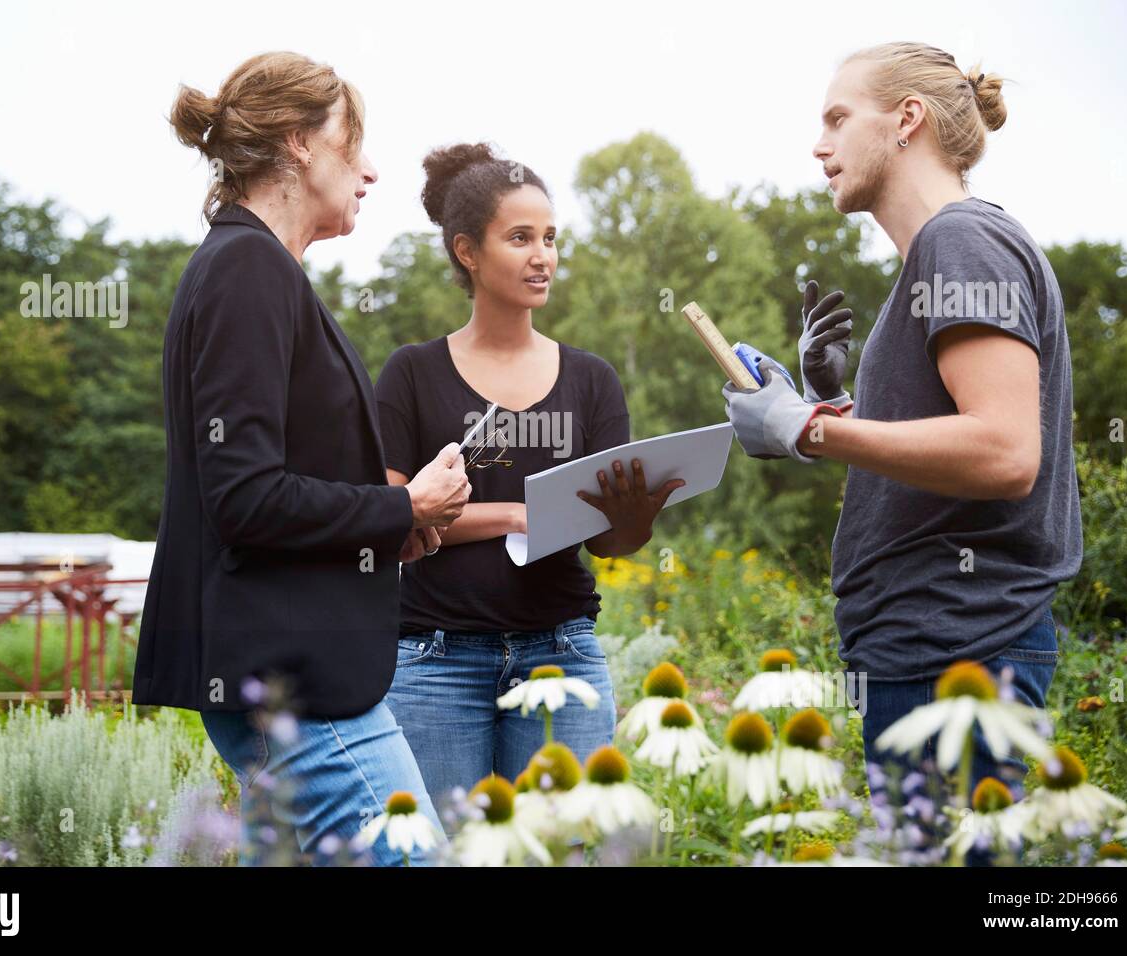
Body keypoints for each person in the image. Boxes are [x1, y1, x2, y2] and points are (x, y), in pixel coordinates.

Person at [719, 43, 1081, 863]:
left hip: (960, 649)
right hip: (928, 644)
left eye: (837, 118)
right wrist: (825, 404)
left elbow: (1003, 449)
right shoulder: (935, 259)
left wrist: (807, 430)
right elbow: (945, 442)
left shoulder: (961, 242)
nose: (819, 145)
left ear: (906, 120)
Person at [131, 52, 471, 866]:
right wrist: (404, 508)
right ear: (296, 145)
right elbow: (244, 498)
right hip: (295, 680)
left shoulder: (252, 268)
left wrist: (387, 532)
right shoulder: (248, 269)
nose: (372, 171)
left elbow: (263, 486)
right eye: (353, 145)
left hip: (284, 670)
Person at [374, 143, 685, 808]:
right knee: (439, 855)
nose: (543, 256)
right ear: (467, 251)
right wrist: (518, 514)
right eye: (520, 238)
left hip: (561, 652)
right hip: (433, 663)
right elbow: (388, 518)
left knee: (561, 848)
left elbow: (606, 544)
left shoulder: (593, 379)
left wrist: (634, 520)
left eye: (550, 238)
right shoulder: (411, 373)